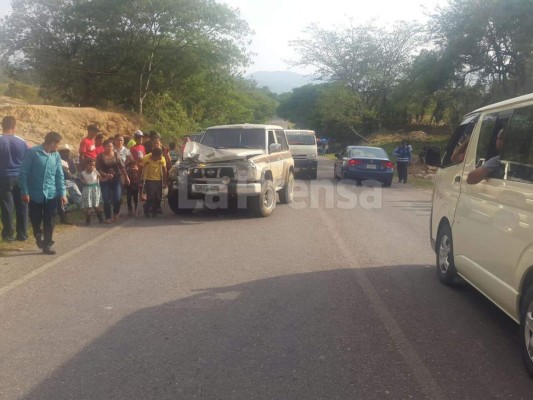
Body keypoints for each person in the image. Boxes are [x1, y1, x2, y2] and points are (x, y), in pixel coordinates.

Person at [19, 131, 67, 255]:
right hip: (34, 193)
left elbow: (59, 175)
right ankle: (38, 234)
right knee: (35, 218)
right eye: (57, 144)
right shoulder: (33, 153)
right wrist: (25, 191)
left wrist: (62, 193)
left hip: (51, 193)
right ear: (51, 143)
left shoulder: (56, 155)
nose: (58, 147)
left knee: (50, 219)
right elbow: (23, 173)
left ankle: (47, 244)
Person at [0, 116, 28, 242]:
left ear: (2, 126)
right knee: (22, 206)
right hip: (20, 176)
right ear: (14, 126)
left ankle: (8, 234)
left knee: (7, 206)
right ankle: (22, 234)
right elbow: (30, 156)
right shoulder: (22, 141)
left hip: (4, 177)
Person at [96, 139, 130, 223]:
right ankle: (108, 217)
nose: (110, 148)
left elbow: (122, 167)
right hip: (105, 180)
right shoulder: (100, 156)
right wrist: (105, 175)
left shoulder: (116, 155)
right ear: (104, 147)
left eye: (111, 146)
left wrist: (126, 177)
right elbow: (98, 169)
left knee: (117, 198)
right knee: (106, 199)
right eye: (108, 146)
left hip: (116, 179)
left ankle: (116, 212)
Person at [139, 147, 167, 218]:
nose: (161, 158)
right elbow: (140, 169)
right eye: (159, 157)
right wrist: (139, 180)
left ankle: (154, 210)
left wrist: (164, 181)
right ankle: (146, 208)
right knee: (151, 197)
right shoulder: (146, 158)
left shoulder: (162, 159)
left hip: (158, 180)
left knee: (158, 198)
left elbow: (164, 170)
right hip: (148, 180)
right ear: (154, 156)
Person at [58, 144, 82, 224]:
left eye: (67, 151)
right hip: (60, 181)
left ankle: (72, 208)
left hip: (69, 180)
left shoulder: (70, 160)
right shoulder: (57, 160)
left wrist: (70, 174)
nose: (66, 153)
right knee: (64, 200)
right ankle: (65, 215)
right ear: (60, 152)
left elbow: (73, 171)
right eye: (64, 152)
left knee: (79, 198)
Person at [80, 159, 105, 225]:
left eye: (93, 165)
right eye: (90, 165)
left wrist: (108, 177)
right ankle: (88, 221)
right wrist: (83, 181)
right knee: (88, 206)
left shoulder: (96, 172)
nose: (92, 167)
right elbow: (81, 181)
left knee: (96, 205)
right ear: (86, 165)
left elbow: (101, 179)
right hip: (87, 190)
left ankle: (100, 218)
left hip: (95, 190)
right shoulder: (83, 173)